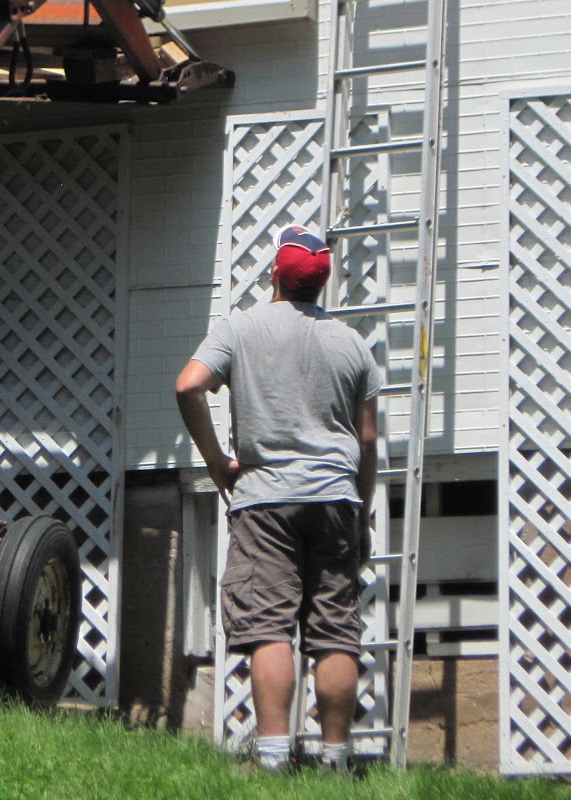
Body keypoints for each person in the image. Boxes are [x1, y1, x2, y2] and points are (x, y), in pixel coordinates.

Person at [175, 225, 381, 773]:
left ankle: (271, 760)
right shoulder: (352, 344)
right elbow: (366, 441)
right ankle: (336, 760)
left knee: (269, 626)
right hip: (336, 498)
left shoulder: (240, 328)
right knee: (335, 628)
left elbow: (188, 385)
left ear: (275, 274)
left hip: (264, 500)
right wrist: (360, 514)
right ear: (321, 284)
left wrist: (217, 459)